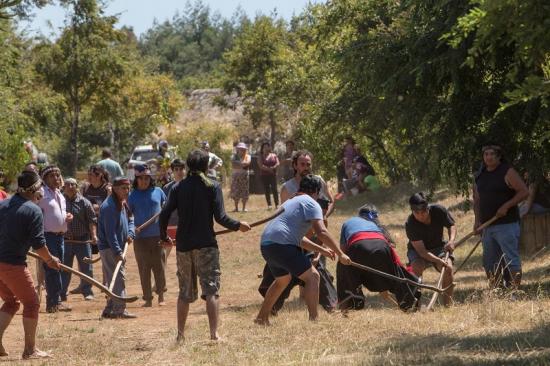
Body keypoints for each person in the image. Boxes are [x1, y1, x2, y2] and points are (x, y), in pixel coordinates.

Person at [159, 149, 251, 342]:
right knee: (211, 290)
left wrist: (164, 236)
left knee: (184, 292)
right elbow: (221, 217)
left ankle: (180, 335)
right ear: (206, 166)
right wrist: (238, 225)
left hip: (183, 246)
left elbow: (164, 214)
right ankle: (213, 334)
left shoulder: (178, 187)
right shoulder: (212, 186)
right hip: (206, 245)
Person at [255, 174, 352, 325]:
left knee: (283, 279)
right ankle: (314, 320)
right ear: (317, 192)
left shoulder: (290, 202)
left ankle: (261, 318)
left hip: (267, 244)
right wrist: (341, 254)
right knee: (313, 277)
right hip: (281, 244)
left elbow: (298, 238)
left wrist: (322, 250)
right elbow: (322, 232)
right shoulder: (311, 203)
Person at [0, 171, 61, 359]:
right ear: (35, 188)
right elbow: (39, 244)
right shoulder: (33, 210)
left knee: (11, 301)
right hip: (12, 264)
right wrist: (50, 260)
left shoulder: (3, 205)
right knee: (32, 303)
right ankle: (30, 350)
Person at [337, 204, 420, 311]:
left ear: (360, 215)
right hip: (381, 246)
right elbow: (392, 259)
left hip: (358, 245)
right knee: (395, 274)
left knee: (342, 266)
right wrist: (399, 271)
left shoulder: (349, 222)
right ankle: (408, 303)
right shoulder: (377, 227)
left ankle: (346, 306)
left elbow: (343, 252)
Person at [473, 144, 528, 289]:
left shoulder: (507, 171)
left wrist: (507, 206)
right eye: (486, 154)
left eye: (492, 154)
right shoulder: (480, 175)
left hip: (507, 224)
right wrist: (477, 220)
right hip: (487, 226)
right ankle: (496, 291)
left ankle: (514, 292)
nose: (489, 157)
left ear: (498, 157)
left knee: (511, 259)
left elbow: (524, 192)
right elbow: (477, 200)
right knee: (489, 262)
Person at [405, 192, 456, 306]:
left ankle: (447, 305)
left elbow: (451, 225)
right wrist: (438, 260)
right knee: (416, 267)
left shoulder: (439, 210)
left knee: (448, 268)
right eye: (416, 213)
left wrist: (451, 240)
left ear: (428, 208)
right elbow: (422, 252)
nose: (420, 216)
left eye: (423, 212)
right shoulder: (410, 223)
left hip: (439, 248)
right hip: (418, 251)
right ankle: (415, 304)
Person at [97, 177, 136, 319]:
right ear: (115, 189)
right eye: (123, 188)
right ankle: (119, 310)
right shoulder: (109, 207)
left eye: (128, 188)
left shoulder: (122, 203)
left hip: (118, 246)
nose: (127, 191)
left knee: (114, 276)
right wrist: (117, 252)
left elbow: (131, 219)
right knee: (118, 277)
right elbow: (110, 233)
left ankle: (110, 308)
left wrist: (131, 233)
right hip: (110, 248)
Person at [128, 164, 167, 307]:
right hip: (140, 238)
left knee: (159, 266)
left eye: (147, 178)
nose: (144, 181)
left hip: (157, 236)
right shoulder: (132, 196)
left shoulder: (158, 191)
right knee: (144, 268)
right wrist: (132, 230)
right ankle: (148, 298)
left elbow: (166, 207)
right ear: (136, 179)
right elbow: (127, 216)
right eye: (141, 178)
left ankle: (161, 295)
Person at [37, 165, 73, 313]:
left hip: (60, 237)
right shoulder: (41, 193)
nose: (56, 178)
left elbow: (57, 214)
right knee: (52, 268)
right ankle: (53, 302)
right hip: (48, 236)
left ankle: (55, 299)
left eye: (58, 175)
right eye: (52, 176)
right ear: (45, 179)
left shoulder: (60, 194)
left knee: (59, 268)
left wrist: (67, 217)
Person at [61, 178, 97, 301]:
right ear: (63, 187)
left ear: (77, 187)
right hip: (65, 241)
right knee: (64, 268)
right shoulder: (60, 201)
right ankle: (62, 293)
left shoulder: (84, 202)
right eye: (67, 184)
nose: (70, 186)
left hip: (82, 240)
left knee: (86, 267)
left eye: (73, 184)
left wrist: (94, 236)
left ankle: (87, 291)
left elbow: (92, 220)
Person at [162, 159, 186, 243]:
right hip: (171, 225)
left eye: (181, 169)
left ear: (185, 170)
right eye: (176, 169)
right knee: (166, 251)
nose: (179, 172)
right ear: (172, 171)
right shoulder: (167, 188)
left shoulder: (190, 186)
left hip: (186, 225)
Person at [230, 142, 251, 212]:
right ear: (237, 149)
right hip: (236, 176)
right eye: (240, 148)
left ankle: (244, 208)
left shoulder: (248, 156)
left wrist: (238, 164)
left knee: (244, 191)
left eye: (243, 149)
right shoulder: (233, 156)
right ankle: (236, 208)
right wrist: (242, 164)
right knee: (236, 191)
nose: (242, 150)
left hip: (245, 176)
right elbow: (233, 165)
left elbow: (247, 163)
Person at [259, 142, 280, 210]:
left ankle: (277, 204)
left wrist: (273, 168)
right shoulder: (260, 156)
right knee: (267, 190)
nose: (266, 148)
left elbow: (278, 163)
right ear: (262, 149)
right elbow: (261, 166)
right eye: (264, 147)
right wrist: (269, 169)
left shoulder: (274, 155)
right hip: (264, 176)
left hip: (273, 175)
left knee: (274, 189)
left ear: (269, 148)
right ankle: (269, 205)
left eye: (267, 147)